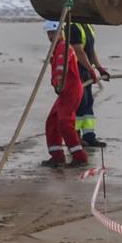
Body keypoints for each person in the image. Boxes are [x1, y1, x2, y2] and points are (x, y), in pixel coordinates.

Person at [41, 20, 89, 168]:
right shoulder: (57, 47)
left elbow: (61, 68)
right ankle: (57, 156)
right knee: (53, 121)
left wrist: (58, 83)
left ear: (60, 31)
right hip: (66, 91)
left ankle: (79, 157)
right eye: (49, 33)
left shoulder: (62, 47)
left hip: (70, 90)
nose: (50, 36)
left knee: (64, 123)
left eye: (53, 33)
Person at [68, 20, 110, 148]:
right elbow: (79, 51)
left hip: (86, 70)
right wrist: (91, 70)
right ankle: (76, 137)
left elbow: (91, 50)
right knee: (79, 104)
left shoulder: (88, 26)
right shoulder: (73, 27)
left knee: (88, 104)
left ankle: (89, 137)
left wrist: (99, 68)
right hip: (76, 71)